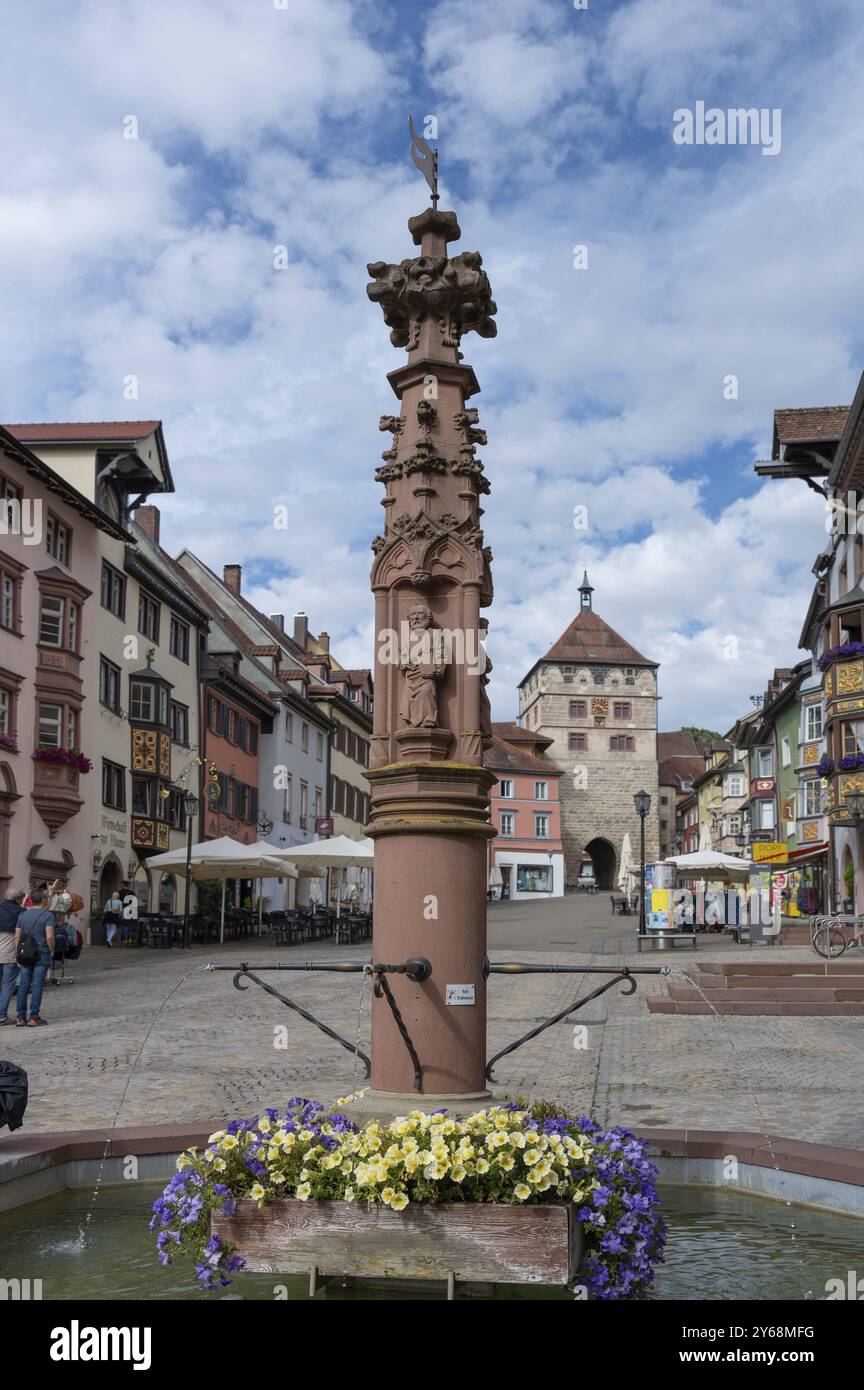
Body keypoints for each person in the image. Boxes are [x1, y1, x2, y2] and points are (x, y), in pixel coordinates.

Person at [14, 887, 56, 1027]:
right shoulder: (48, 916)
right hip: (41, 953)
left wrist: (16, 954)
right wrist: (52, 950)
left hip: (25, 953)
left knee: (23, 985)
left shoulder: (22, 915)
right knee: (37, 984)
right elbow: (49, 936)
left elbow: (17, 936)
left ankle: (20, 1017)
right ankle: (34, 1017)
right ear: (44, 900)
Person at [0, 890, 25, 1025]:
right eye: (22, 898)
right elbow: (19, 935)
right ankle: (1, 1016)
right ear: (17, 899)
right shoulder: (20, 912)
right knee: (7, 985)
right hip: (9, 954)